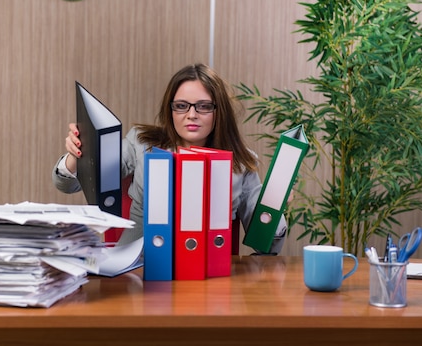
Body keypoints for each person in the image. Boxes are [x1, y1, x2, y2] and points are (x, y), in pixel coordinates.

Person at [52, 63, 286, 254]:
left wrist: (276, 205)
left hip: (209, 271)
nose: (191, 114)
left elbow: (266, 245)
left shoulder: (240, 164)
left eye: (203, 106)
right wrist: (76, 156)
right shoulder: (142, 143)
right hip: (139, 266)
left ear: (218, 111)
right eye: (181, 106)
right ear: (170, 109)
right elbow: (69, 184)